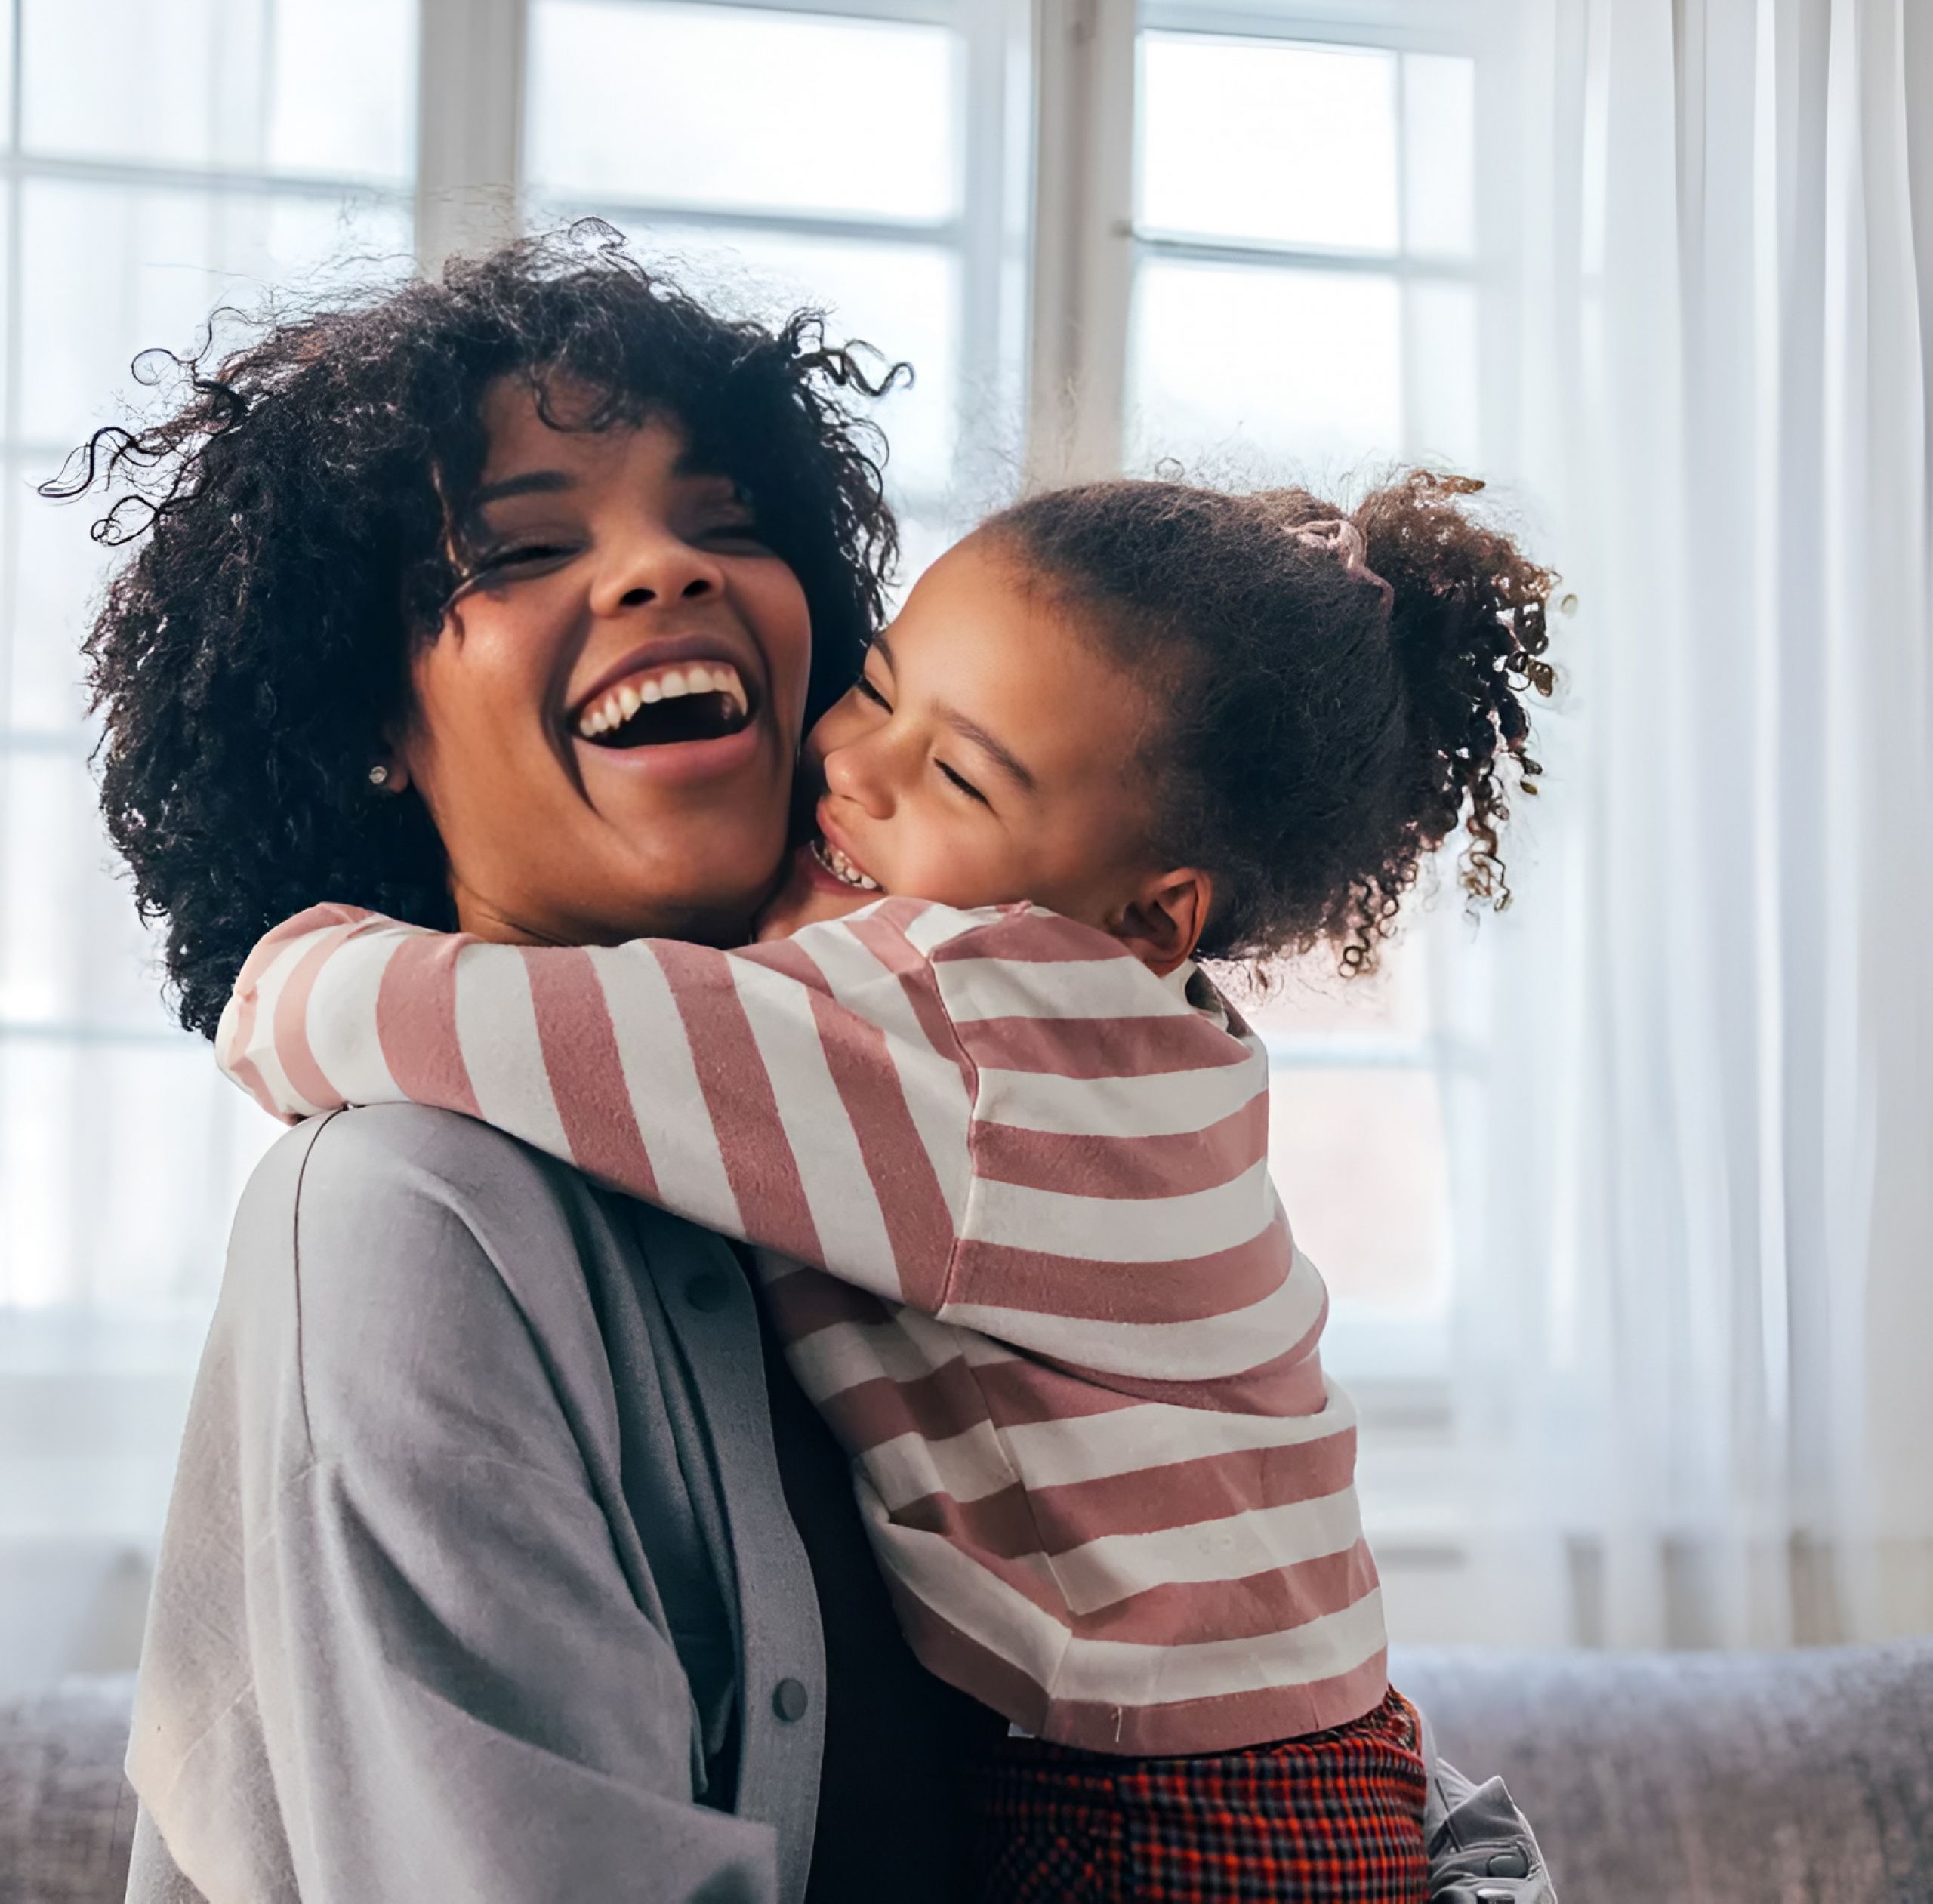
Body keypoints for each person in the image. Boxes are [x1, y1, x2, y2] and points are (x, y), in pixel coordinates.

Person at [213, 465, 1558, 1900]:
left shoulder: (974, 1033)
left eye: (959, 778)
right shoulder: (1127, 1039)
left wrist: (285, 966)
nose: (853, 768)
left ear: (1146, 915)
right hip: (1305, 1776)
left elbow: (457, 1025)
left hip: (1165, 1825)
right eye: (873, 687)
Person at [67, 228, 1008, 1904]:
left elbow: (1293, 1697)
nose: (666, 571)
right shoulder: (401, 1215)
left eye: (725, 521)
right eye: (514, 551)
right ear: (367, 717)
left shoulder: (928, 1126)